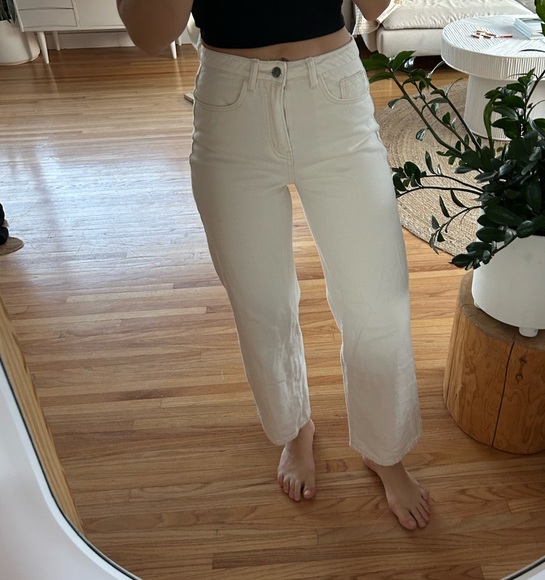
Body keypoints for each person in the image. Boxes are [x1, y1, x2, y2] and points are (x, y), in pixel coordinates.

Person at [116, 0, 430, 530]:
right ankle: (294, 428)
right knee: (261, 305)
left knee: (379, 304)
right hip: (231, 107)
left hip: (333, 96)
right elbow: (151, 34)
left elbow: (379, 7)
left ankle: (385, 449)